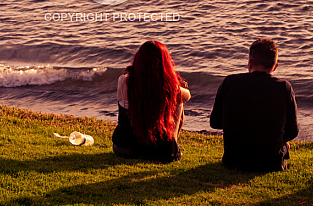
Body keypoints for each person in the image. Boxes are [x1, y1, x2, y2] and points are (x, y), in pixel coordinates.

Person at [210, 38, 298, 172]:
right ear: (275, 66)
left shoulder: (229, 82)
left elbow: (215, 123)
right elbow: (293, 131)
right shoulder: (284, 87)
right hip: (270, 163)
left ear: (250, 62)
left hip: (233, 161)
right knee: (285, 145)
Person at [112, 40, 191, 163]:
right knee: (178, 100)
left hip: (124, 147)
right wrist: (177, 85)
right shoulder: (168, 86)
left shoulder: (124, 81)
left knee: (176, 97)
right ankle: (173, 142)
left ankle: (170, 143)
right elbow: (187, 96)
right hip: (160, 151)